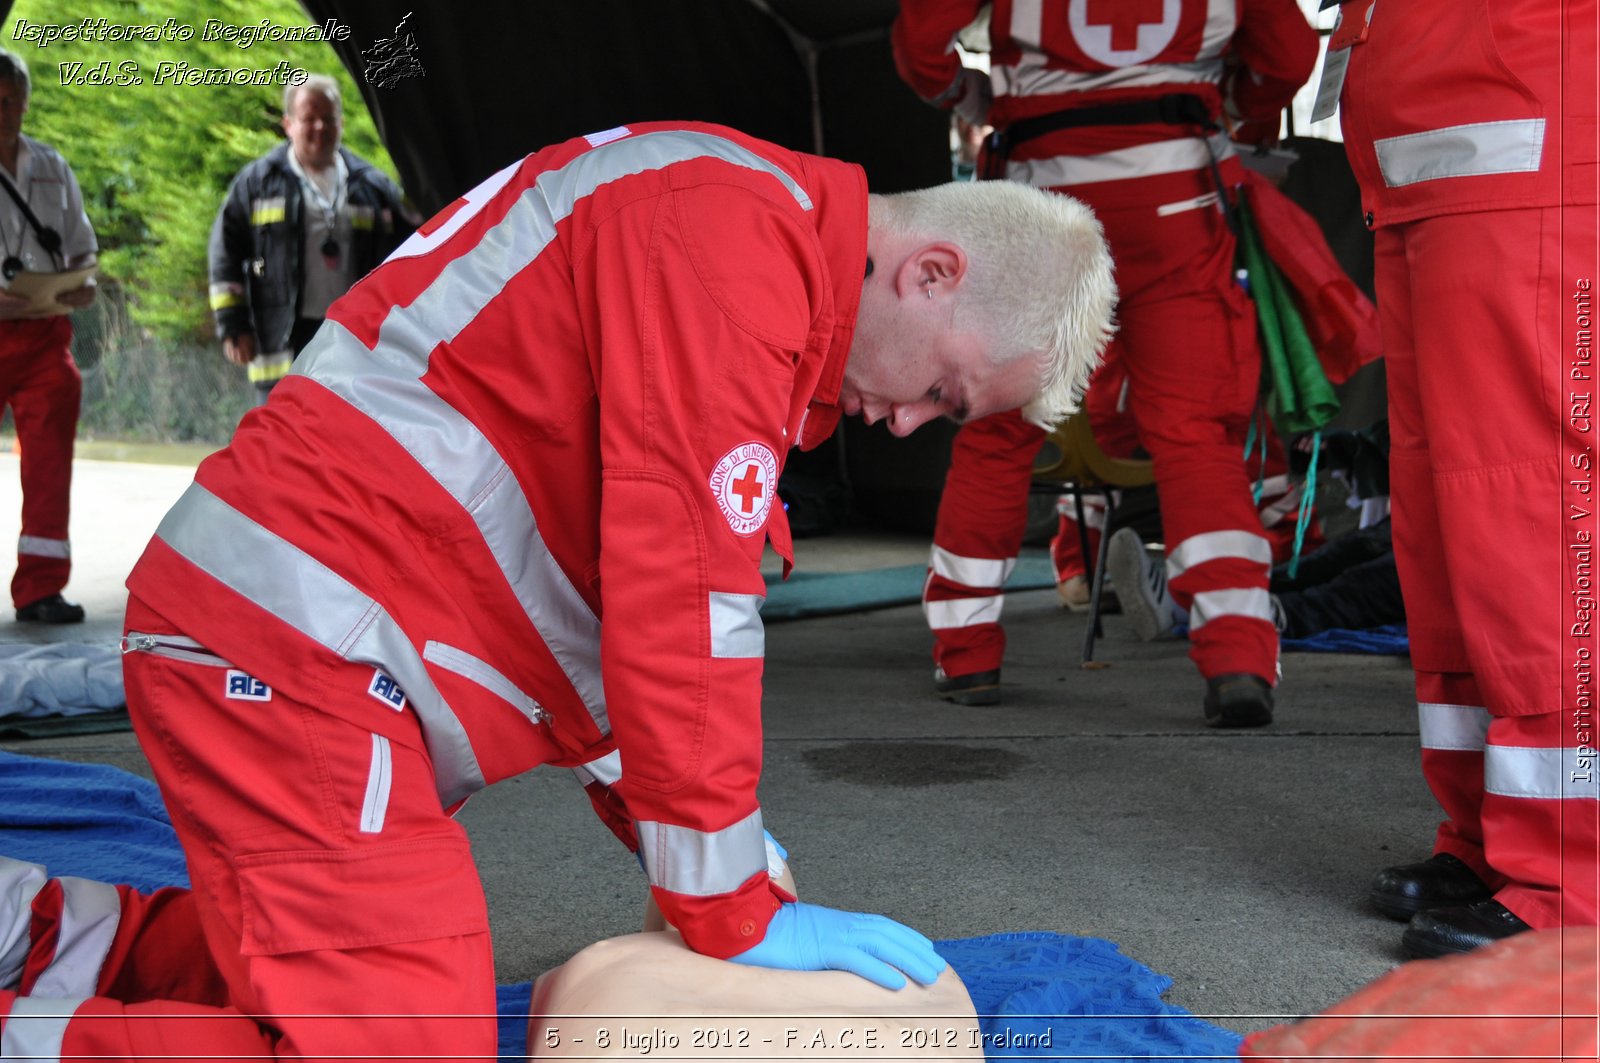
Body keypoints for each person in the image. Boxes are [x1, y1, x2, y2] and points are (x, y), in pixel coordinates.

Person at [3, 122, 1119, 1059]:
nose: (910, 421)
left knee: (344, 962)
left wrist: (738, 870)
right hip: (299, 648)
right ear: (931, 273)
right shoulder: (733, 249)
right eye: (942, 389)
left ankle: (54, 934)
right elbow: (681, 605)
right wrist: (730, 910)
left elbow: (601, 631)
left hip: (302, 638)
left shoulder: (723, 233)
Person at [893, 0, 1318, 724]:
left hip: (1039, 207)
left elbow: (920, 39)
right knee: (1194, 434)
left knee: (999, 428)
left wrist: (971, 96)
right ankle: (1239, 656)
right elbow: (1290, 56)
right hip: (1175, 202)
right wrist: (1230, 107)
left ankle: (965, 654)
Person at [1334, 0, 1600, 957]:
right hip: (1437, 160)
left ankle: (1577, 876)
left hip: (1528, 136)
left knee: (1534, 514)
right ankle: (1492, 837)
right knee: (1451, 535)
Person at [207, 74, 416, 405]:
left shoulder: (373, 186)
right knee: (282, 443)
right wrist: (233, 326)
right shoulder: (257, 184)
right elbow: (225, 254)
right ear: (288, 124)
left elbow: (411, 253)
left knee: (347, 437)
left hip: (352, 338)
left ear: (341, 123)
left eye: (329, 118)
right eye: (309, 118)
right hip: (283, 341)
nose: (320, 127)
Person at [0, 49, 97, 625]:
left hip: (43, 338)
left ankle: (40, 588)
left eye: (14, 100)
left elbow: (81, 244)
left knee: (49, 467)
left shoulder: (51, 166)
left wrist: (81, 283)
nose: (6, 110)